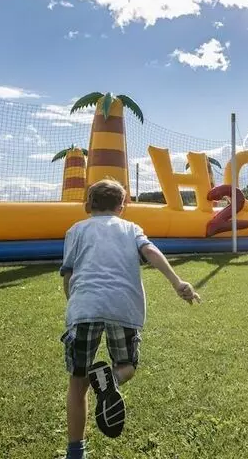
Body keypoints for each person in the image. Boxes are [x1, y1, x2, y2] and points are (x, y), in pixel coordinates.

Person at [60, 179, 201, 459]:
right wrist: (177, 282)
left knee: (78, 383)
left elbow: (68, 274)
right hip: (123, 307)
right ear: (122, 207)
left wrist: (73, 304)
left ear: (87, 205)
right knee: (127, 367)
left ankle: (76, 452)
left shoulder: (75, 230)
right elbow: (150, 252)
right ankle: (112, 379)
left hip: (84, 307)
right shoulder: (131, 229)